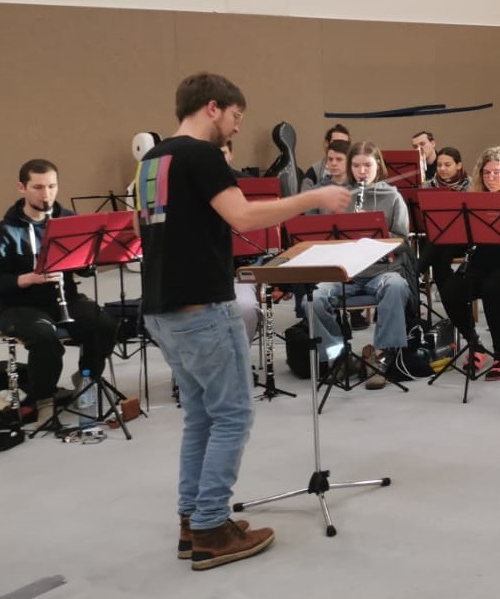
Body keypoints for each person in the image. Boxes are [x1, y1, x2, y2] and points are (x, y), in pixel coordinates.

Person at [138, 72, 350, 570]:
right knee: (233, 416)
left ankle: (194, 520)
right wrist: (312, 199)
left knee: (202, 417)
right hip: (200, 309)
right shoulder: (201, 155)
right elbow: (244, 218)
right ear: (214, 107)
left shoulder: (151, 160)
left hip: (162, 309)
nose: (235, 128)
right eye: (236, 116)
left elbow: (141, 228)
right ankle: (212, 527)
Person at [0, 159, 118, 425]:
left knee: (104, 323)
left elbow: (83, 269)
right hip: (17, 307)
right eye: (37, 187)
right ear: (21, 187)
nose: (46, 195)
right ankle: (43, 399)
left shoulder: (68, 220)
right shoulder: (4, 231)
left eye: (52, 186)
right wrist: (28, 279)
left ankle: (87, 377)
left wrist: (89, 261)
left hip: (63, 299)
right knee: (44, 336)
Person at [431, 147, 500, 379]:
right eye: (486, 173)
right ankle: (475, 344)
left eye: (497, 172)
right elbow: (464, 243)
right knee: (451, 291)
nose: (491, 177)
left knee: (494, 289)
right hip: (482, 265)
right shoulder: (474, 201)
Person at [309, 141, 415, 390]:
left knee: (397, 287)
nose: (362, 171)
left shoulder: (392, 196)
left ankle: (379, 356)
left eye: (367, 165)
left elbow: (403, 241)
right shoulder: (339, 197)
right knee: (314, 298)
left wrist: (373, 241)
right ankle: (338, 356)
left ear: (378, 165)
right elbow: (325, 238)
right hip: (345, 272)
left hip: (381, 271)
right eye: (356, 165)